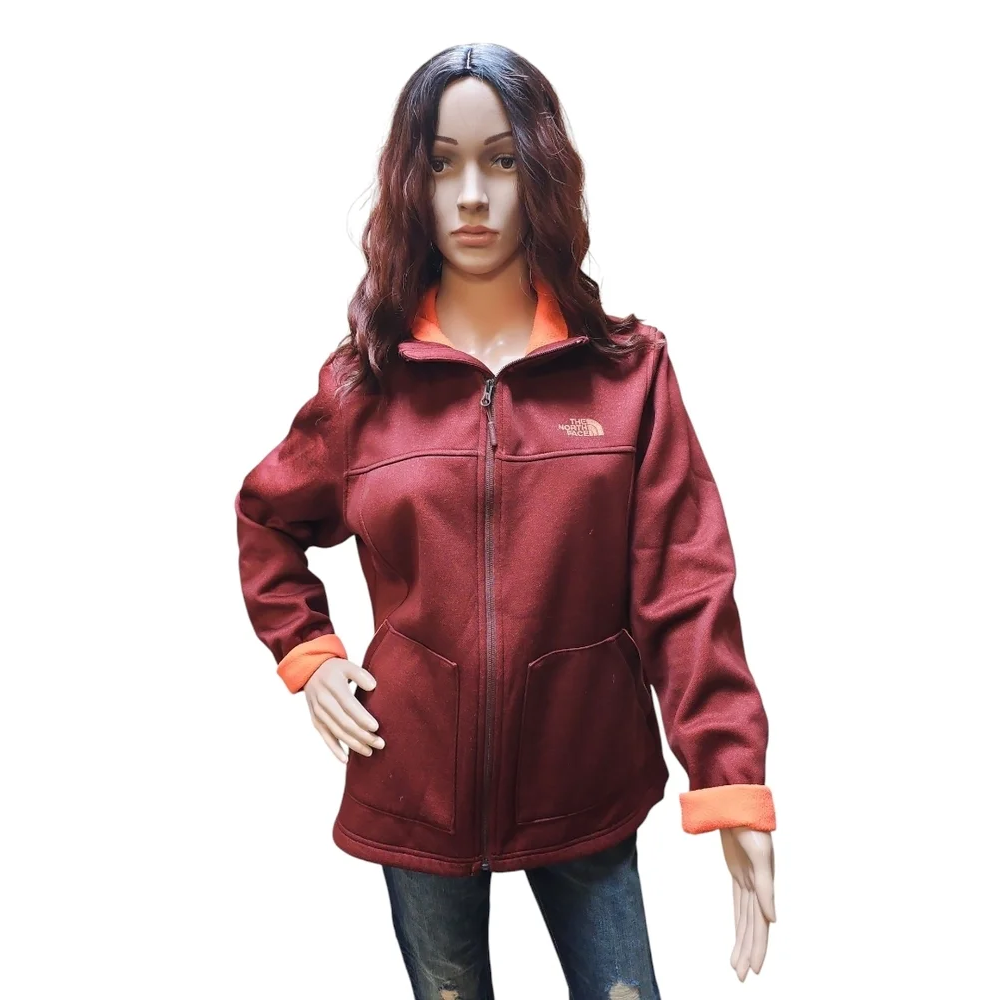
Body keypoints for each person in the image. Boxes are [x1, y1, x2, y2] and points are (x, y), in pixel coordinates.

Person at [235, 42, 777, 999]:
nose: (473, 196)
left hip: (585, 778)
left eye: (501, 160)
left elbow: (686, 584)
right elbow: (268, 520)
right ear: (411, 184)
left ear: (543, 172)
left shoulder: (627, 375)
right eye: (443, 164)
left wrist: (728, 779)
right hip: (415, 782)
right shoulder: (365, 386)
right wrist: (310, 656)